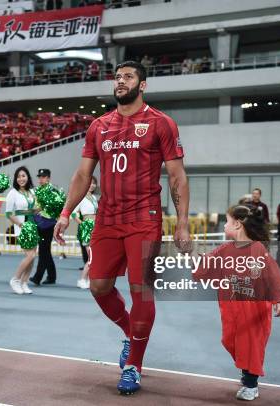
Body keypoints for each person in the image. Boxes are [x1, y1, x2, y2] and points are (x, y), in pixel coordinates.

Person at [53, 61, 190, 395]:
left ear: (142, 85)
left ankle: (134, 365)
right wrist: (65, 211)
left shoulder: (161, 123)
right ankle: (131, 334)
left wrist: (182, 222)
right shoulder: (99, 126)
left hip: (144, 218)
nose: (120, 81)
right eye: (117, 77)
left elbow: (177, 176)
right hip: (107, 219)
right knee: (99, 286)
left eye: (128, 77)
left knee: (141, 288)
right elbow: (83, 175)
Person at [193, 205, 280, 401]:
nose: (224, 225)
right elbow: (205, 266)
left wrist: (278, 301)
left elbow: (271, 277)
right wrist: (192, 257)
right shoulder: (225, 249)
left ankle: (251, 384)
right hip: (231, 309)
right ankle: (247, 371)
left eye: (228, 221)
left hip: (254, 310)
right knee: (230, 340)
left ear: (237, 224)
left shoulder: (258, 250)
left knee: (251, 345)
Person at [6, 166, 38, 294]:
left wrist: (45, 206)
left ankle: (24, 282)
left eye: (23, 176)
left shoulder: (32, 192)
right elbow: (8, 214)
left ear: (28, 177)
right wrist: (20, 225)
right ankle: (15, 279)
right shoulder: (13, 193)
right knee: (30, 255)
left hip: (32, 224)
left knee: (32, 256)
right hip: (22, 225)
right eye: (18, 176)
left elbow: (34, 210)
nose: (21, 179)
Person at [30, 168, 58, 285]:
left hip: (49, 224)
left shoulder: (53, 191)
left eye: (44, 177)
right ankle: (52, 276)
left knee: (43, 251)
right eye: (40, 177)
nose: (41, 179)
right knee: (45, 251)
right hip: (39, 223)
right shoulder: (37, 191)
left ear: (48, 178)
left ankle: (38, 277)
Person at [72, 176, 98, 289]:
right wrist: (82, 223)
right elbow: (73, 213)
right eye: (90, 183)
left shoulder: (94, 197)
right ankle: (82, 279)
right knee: (92, 256)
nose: (92, 185)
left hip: (96, 226)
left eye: (94, 183)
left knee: (94, 256)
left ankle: (86, 279)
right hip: (87, 227)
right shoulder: (80, 197)